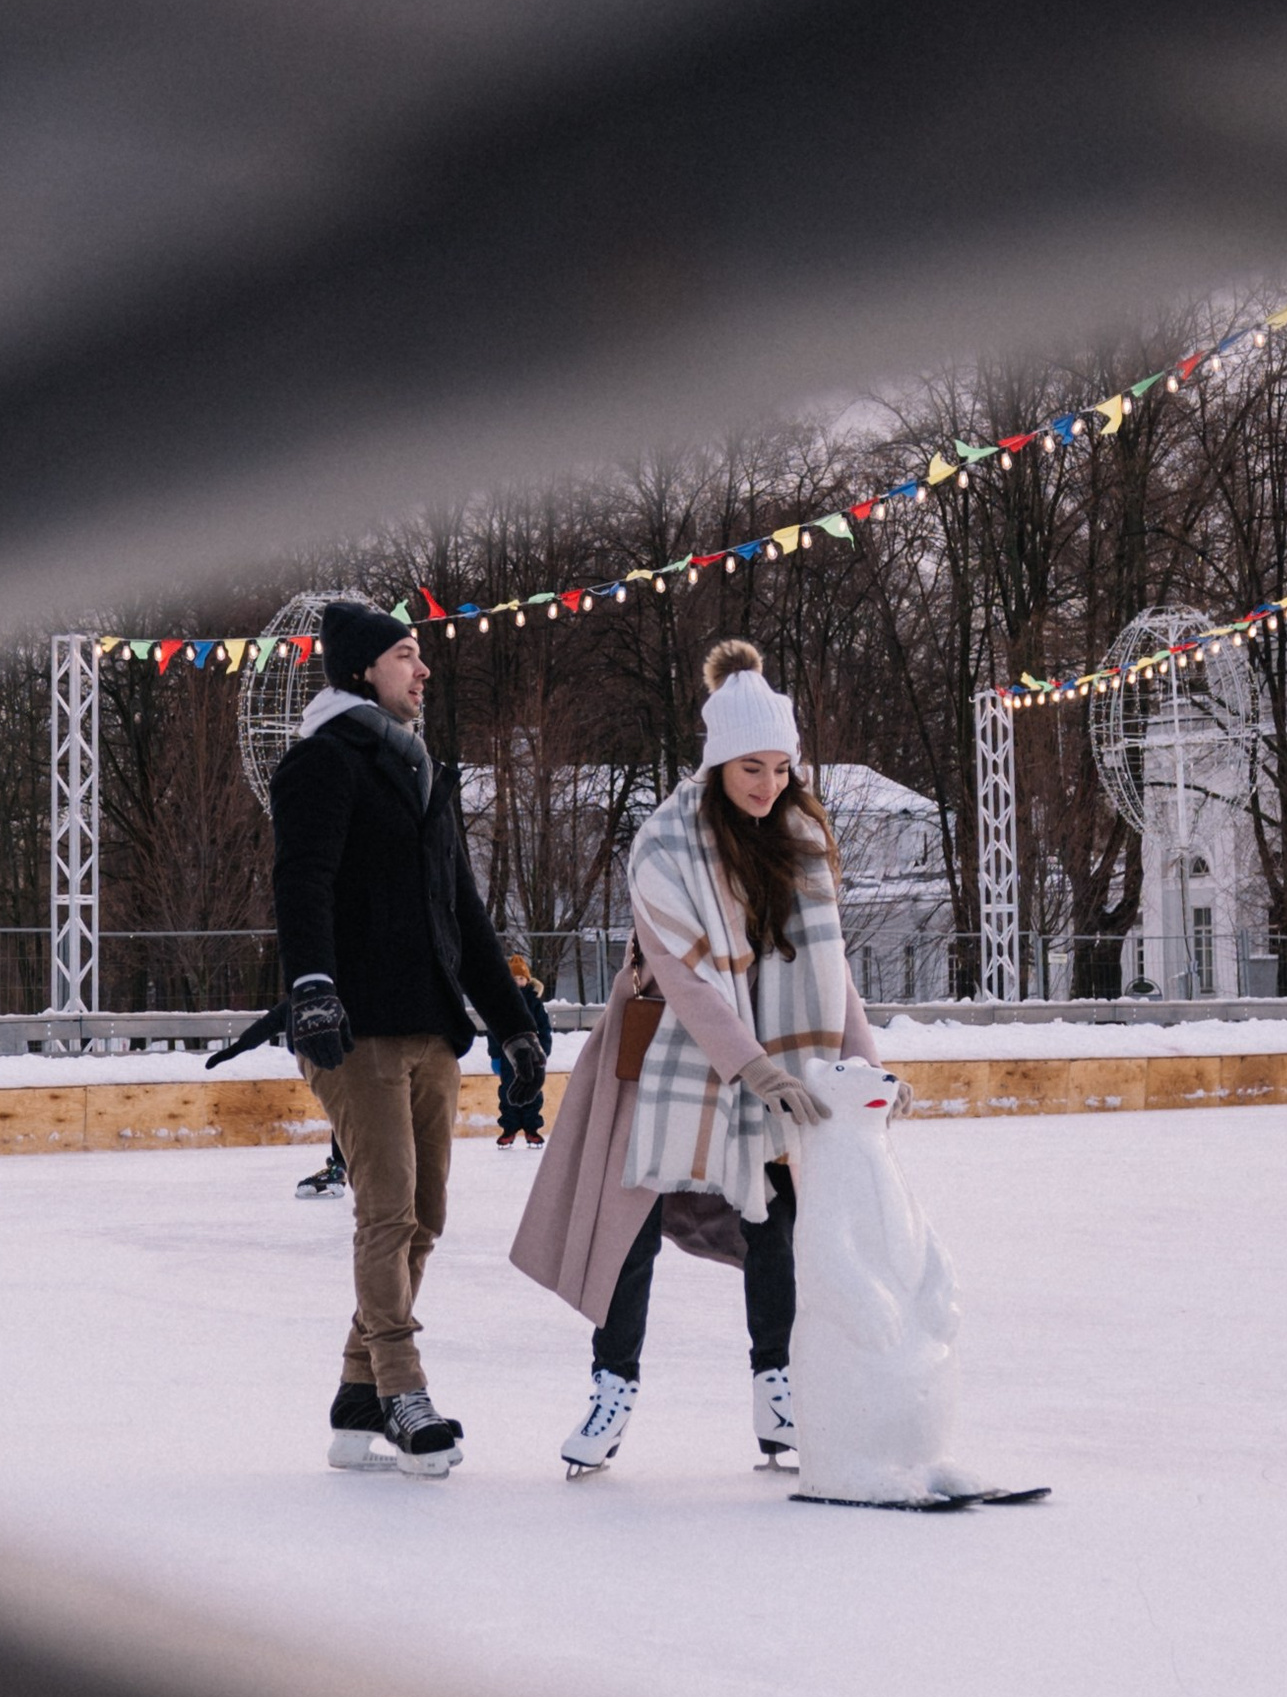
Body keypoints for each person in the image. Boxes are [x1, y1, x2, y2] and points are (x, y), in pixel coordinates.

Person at [510, 639, 888, 1475]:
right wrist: (753, 1068)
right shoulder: (665, 846)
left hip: (777, 1052)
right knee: (631, 1224)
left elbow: (829, 968)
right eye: (750, 767)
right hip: (668, 1052)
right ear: (718, 762)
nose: (767, 784)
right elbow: (685, 981)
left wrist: (861, 1061)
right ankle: (612, 1389)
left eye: (780, 768)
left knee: (775, 1219)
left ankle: (777, 1391)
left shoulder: (798, 838)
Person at [271, 601, 548, 1475]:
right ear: (361, 670)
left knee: (425, 1217)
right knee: (386, 1213)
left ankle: (356, 1402)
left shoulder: (421, 767)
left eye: (421, 656)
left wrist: (510, 1021)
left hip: (431, 1023)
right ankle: (402, 1389)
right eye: (406, 655)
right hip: (353, 1026)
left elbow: (459, 909)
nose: (423, 671)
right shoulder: (321, 762)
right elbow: (301, 882)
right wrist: (312, 986)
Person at [490, 949, 555, 1145]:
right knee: (508, 1092)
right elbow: (494, 1031)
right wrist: (495, 1056)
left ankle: (531, 1129)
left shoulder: (534, 1004)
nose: (518, 982)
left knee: (532, 1091)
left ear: (527, 980)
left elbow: (544, 1029)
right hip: (509, 1057)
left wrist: (543, 1050)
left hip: (532, 1056)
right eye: (514, 978)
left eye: (521, 978)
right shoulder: (501, 1004)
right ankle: (509, 1128)